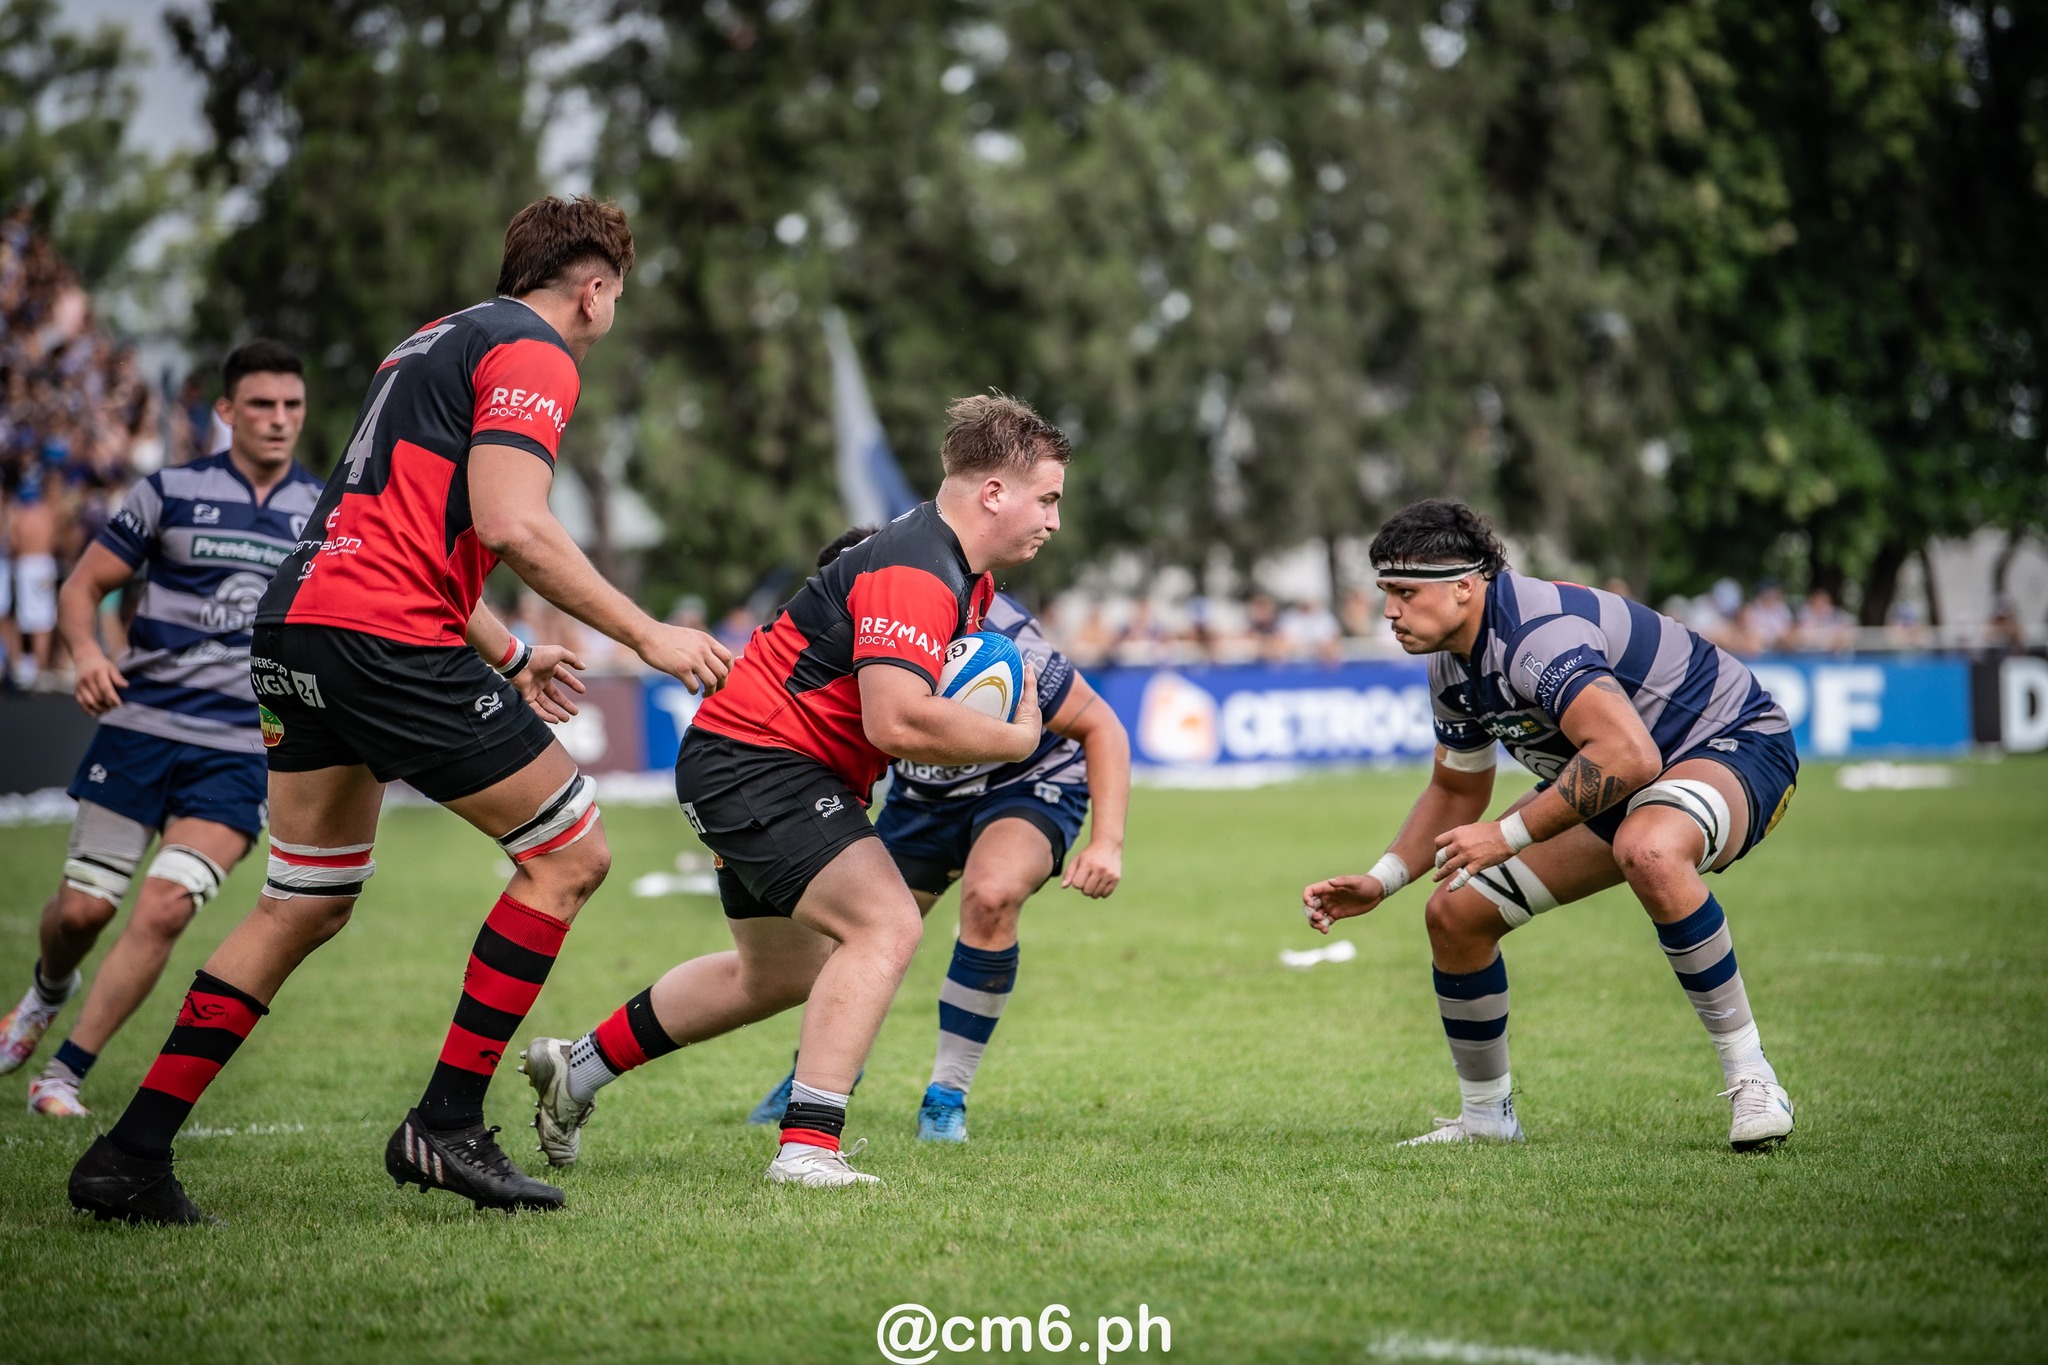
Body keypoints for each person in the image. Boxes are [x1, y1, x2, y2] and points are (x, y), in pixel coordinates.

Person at [66, 196, 733, 1225]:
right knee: (569, 855)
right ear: (595, 291)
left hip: (298, 624)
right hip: (381, 635)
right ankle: (447, 1123)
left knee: (304, 899)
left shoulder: (427, 341)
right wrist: (649, 634)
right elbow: (512, 522)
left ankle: (130, 1152)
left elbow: (401, 524)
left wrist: (511, 652)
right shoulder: (537, 350)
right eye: (616, 298)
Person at [519, 394, 1067, 1189]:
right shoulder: (917, 568)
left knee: (775, 975)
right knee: (885, 923)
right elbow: (895, 719)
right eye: (1046, 498)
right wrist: (1015, 739)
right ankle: (807, 1146)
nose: (1053, 519)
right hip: (760, 762)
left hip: (748, 760)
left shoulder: (958, 573)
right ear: (993, 492)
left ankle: (576, 1069)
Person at [1301, 499, 1799, 1152]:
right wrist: (1382, 879)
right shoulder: (1451, 660)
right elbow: (1456, 789)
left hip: (1731, 742)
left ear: (1464, 586)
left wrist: (1506, 834)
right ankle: (1487, 1118)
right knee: (1456, 912)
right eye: (1385, 593)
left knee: (1649, 848)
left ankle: (1753, 1077)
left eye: (1404, 593)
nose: (1389, 611)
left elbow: (1629, 755)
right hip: (1624, 772)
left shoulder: (1537, 636)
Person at [0, 341, 321, 1119]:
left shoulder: (324, 513)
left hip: (240, 747)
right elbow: (82, 587)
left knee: (167, 905)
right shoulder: (169, 490)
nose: (279, 419)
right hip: (140, 727)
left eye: (291, 405)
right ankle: (47, 989)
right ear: (226, 410)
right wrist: (86, 654)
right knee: (83, 911)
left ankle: (63, 1075)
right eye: (261, 404)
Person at [736, 527, 1130, 1143]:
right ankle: (820, 1074)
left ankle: (947, 1094)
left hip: (1027, 782)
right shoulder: (831, 633)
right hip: (923, 798)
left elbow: (1102, 725)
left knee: (991, 897)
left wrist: (1107, 843)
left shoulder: (998, 632)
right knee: (856, 930)